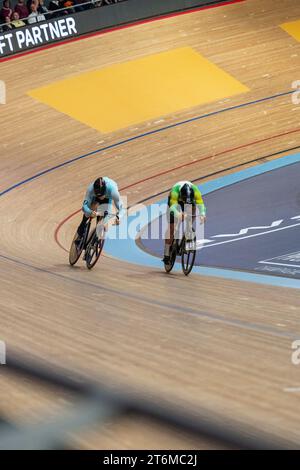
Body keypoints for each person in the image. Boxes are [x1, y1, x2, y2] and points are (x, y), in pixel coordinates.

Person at [163, 181, 206, 263]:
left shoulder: (196, 192)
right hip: (175, 203)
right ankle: (166, 253)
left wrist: (203, 214)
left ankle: (188, 231)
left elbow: (201, 204)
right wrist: (178, 214)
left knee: (192, 210)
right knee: (171, 227)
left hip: (189, 203)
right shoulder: (175, 192)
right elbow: (172, 208)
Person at [75, 177, 122, 247]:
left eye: (101, 195)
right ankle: (82, 225)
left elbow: (121, 208)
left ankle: (97, 237)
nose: (100, 197)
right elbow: (84, 207)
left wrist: (119, 217)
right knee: (89, 211)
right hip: (95, 198)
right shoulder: (90, 190)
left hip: (107, 198)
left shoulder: (113, 191)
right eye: (98, 195)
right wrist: (90, 212)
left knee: (105, 220)